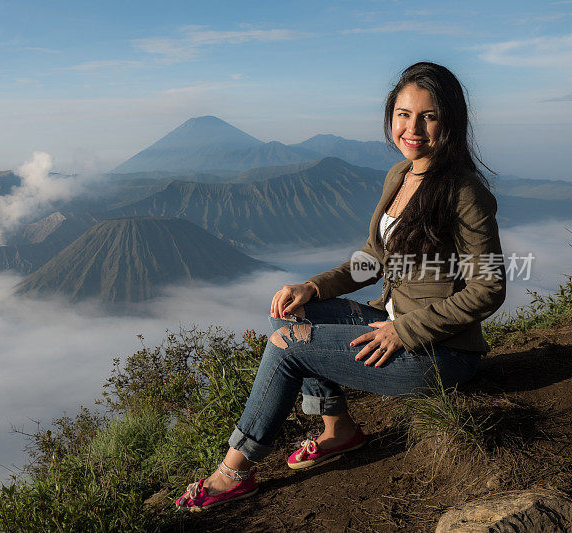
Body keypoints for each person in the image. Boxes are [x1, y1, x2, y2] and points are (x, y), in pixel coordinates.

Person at [175, 62, 507, 511]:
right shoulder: (399, 176)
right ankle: (338, 430)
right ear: (391, 116)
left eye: (429, 116)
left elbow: (489, 287)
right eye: (404, 114)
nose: (413, 128)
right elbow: (373, 257)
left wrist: (403, 332)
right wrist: (313, 287)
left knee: (289, 345)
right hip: (393, 321)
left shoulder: (464, 192)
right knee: (291, 313)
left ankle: (234, 470)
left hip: (440, 353)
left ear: (450, 121)